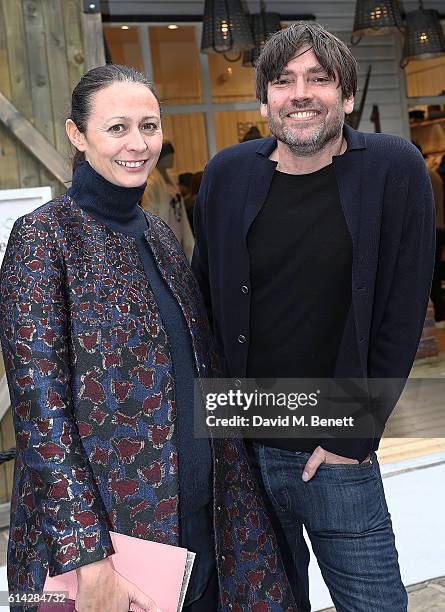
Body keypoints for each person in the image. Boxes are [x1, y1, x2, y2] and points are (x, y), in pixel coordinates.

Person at [0, 65, 297, 612]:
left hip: (204, 531)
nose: (138, 144)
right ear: (76, 135)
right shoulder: (42, 237)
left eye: (150, 126)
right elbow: (41, 414)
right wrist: (85, 555)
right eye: (117, 128)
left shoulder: (158, 232)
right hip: (112, 549)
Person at [192, 22, 435, 612]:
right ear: (265, 100)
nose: (300, 93)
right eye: (283, 81)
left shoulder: (393, 169)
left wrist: (353, 434)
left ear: (346, 97)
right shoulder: (227, 174)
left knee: (375, 605)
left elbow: (401, 312)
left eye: (318, 79)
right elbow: (202, 305)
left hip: (334, 447)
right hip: (242, 446)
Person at [141, 141, 194, 261]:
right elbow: (149, 211)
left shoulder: (170, 180)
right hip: (165, 224)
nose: (171, 160)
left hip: (178, 224)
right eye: (168, 157)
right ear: (161, 157)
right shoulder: (152, 183)